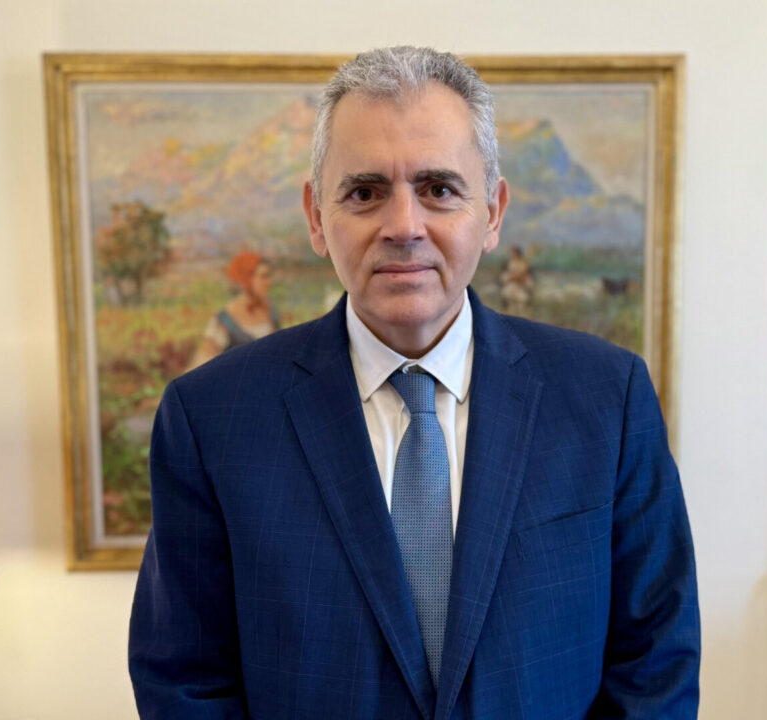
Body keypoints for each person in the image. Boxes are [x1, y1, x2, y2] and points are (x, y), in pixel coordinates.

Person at [130, 46, 699, 719]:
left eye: (439, 189)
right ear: (316, 216)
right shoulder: (210, 418)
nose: (403, 227)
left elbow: (655, 663)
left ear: (493, 212)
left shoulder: (608, 398)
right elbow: (185, 682)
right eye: (365, 192)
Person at [189, 251, 279, 369]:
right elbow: (202, 365)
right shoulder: (224, 320)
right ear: (246, 280)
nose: (269, 282)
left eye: (269, 276)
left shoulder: (270, 311)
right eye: (263, 276)